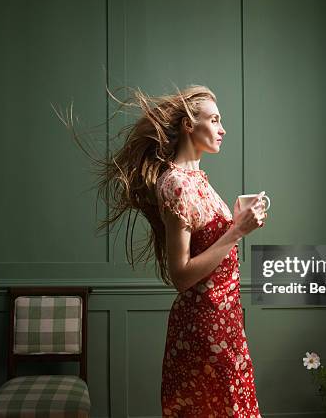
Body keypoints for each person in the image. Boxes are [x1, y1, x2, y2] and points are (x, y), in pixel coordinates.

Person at [56, 84, 266, 417]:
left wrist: (235, 218)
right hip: (204, 325)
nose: (222, 128)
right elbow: (180, 275)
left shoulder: (197, 177)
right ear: (188, 125)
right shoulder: (176, 182)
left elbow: (210, 237)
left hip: (225, 319)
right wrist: (237, 231)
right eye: (213, 120)